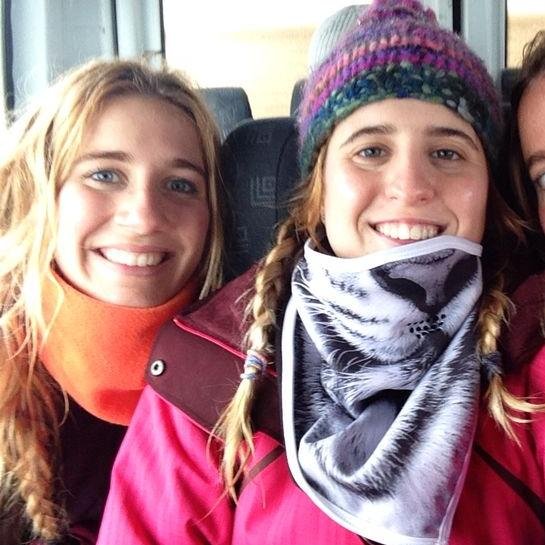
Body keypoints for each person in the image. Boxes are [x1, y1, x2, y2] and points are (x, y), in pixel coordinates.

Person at [98, 2, 545, 544]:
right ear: (320, 189)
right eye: (371, 150)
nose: (410, 185)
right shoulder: (206, 374)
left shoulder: (531, 352)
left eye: (447, 153)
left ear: (488, 189)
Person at [0, 59, 223, 544]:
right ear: (41, 193)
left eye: (180, 185)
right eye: (104, 175)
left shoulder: (255, 386)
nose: (144, 217)